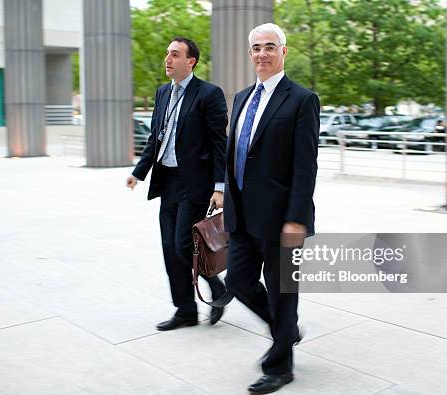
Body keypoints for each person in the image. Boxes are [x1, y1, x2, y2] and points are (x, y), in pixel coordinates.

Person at [223, 23, 319, 394]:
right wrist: (222, 192)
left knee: (283, 292)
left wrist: (297, 218)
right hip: (242, 214)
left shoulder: (301, 99)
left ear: (283, 51)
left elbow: (304, 164)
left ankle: (280, 366)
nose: (261, 54)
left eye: (269, 46)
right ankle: (286, 330)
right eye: (255, 48)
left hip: (281, 217)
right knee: (238, 282)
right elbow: (235, 153)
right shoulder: (242, 97)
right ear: (249, 54)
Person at [127, 37, 228, 331]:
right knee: (170, 248)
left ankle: (215, 285)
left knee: (185, 245)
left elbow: (220, 144)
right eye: (166, 54)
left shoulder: (209, 94)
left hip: (194, 184)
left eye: (174, 54)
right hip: (167, 181)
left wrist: (219, 187)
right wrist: (139, 172)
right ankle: (185, 310)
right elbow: (155, 137)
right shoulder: (162, 93)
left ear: (190, 61)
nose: (167, 59)